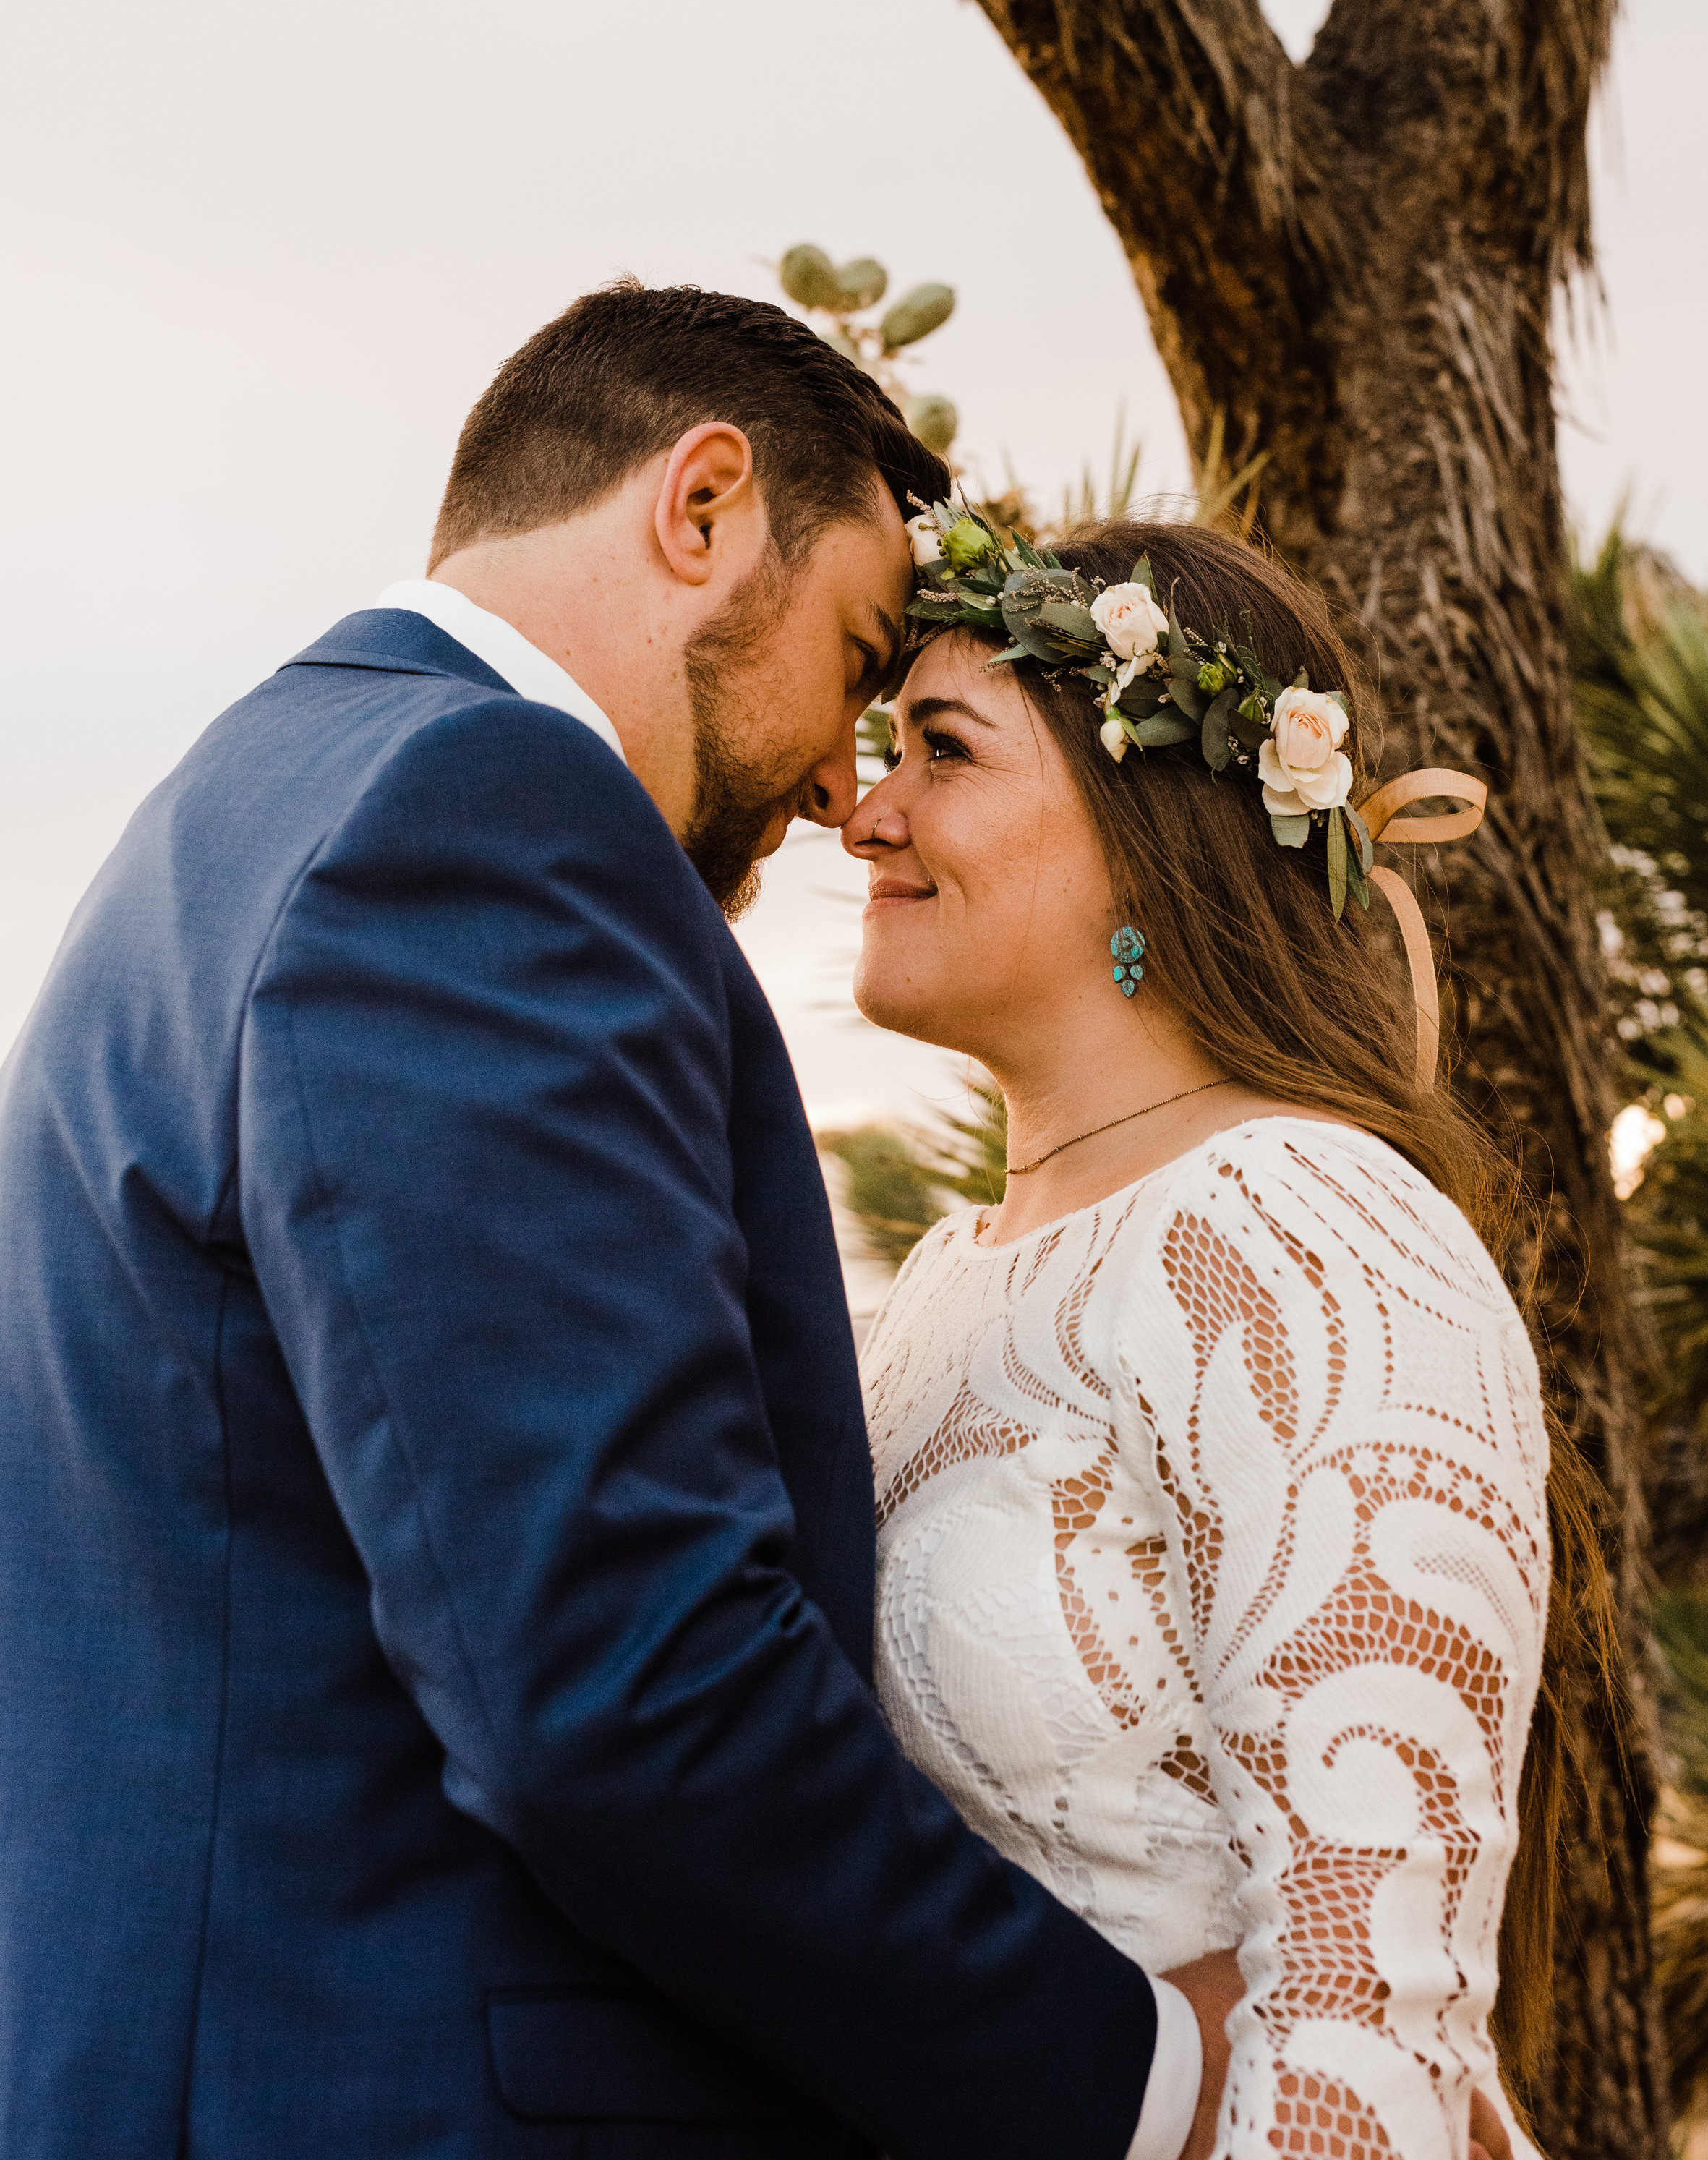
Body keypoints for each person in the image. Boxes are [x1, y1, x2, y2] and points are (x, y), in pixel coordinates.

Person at [0, 286, 1221, 2160]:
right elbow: (618, 1675)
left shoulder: (245, 797)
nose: (839, 784)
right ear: (703, 503)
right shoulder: (482, 812)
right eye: (855, 649)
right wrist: (1138, 2077)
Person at [845, 508, 1589, 2160]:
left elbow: (1362, 1991)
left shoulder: (1305, 1232)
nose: (864, 815)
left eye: (939, 751)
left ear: (1142, 823)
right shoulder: (936, 1284)